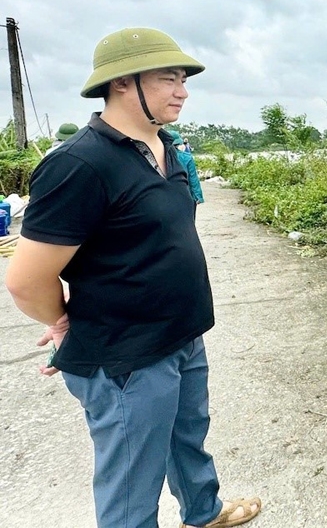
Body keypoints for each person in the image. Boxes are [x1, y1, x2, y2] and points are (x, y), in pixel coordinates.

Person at [6, 27, 261, 528]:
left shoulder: (168, 149)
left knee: (187, 437)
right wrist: (61, 321)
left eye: (183, 79)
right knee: (131, 481)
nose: (182, 91)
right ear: (122, 83)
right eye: (169, 79)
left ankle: (203, 512)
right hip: (125, 354)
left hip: (182, 335)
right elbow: (25, 279)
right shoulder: (79, 164)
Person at [170, 130, 205, 210]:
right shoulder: (187, 157)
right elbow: (193, 178)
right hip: (186, 194)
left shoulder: (158, 157)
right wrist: (197, 196)